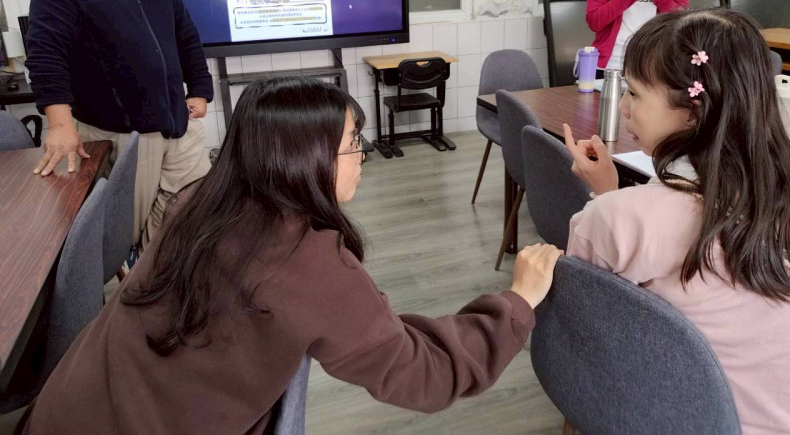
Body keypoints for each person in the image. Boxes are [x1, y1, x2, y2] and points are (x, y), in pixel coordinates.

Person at [19, 76, 563, 434]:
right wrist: (516, 302)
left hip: (65, 408)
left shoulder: (200, 200)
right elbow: (429, 374)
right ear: (306, 159)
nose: (362, 156)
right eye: (353, 143)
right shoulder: (306, 263)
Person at [563, 8, 790, 433]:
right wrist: (612, 193)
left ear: (693, 111)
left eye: (635, 93)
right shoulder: (785, 191)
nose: (624, 108)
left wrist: (608, 203)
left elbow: (580, 322)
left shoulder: (618, 219)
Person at [25, 0, 213, 247]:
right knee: (127, 231)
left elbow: (186, 37)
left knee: (192, 212)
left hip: (179, 123)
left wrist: (201, 90)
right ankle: (144, 272)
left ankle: (164, 268)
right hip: (126, 135)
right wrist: (60, 125)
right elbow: (46, 56)